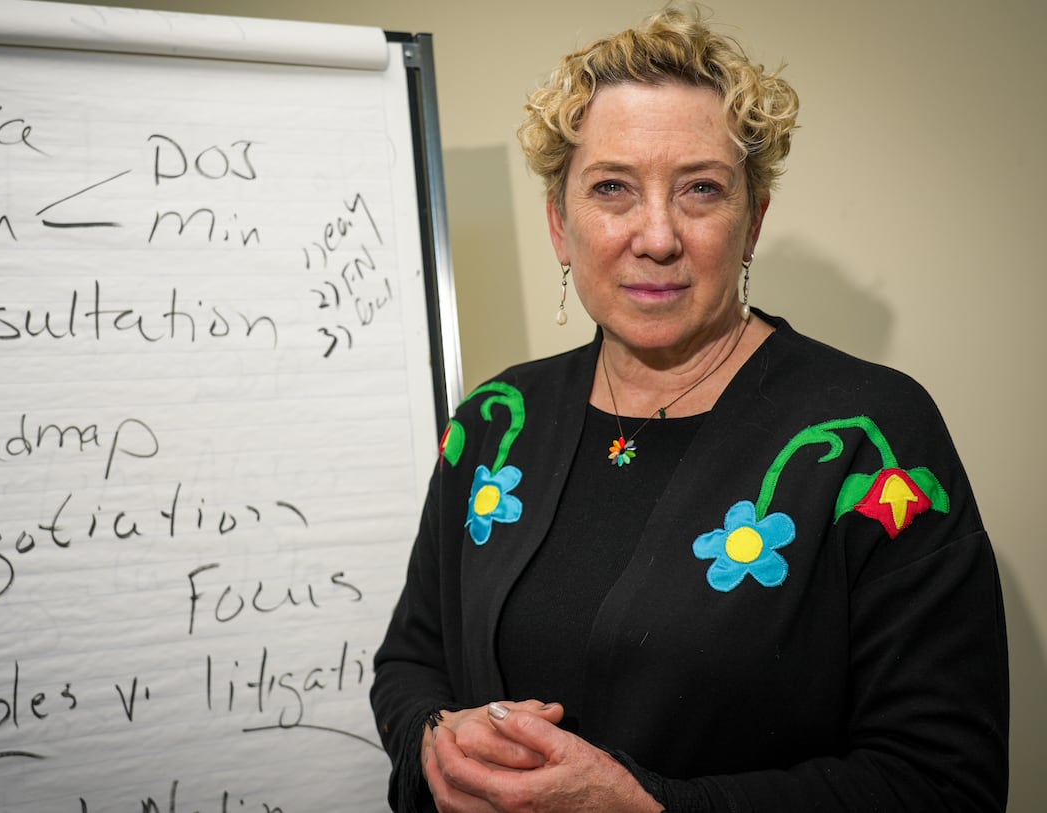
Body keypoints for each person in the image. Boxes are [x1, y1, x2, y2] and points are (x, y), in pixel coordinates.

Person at [369, 5, 1010, 812]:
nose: (658, 236)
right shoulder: (496, 420)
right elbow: (410, 660)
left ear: (754, 221)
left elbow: (945, 782)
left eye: (701, 189)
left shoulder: (873, 440)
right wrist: (438, 741)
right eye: (612, 188)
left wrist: (646, 806)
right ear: (560, 224)